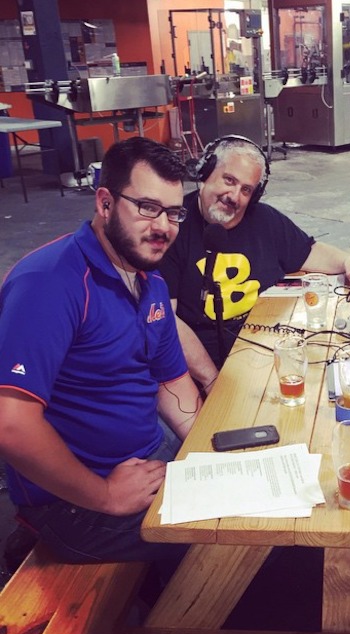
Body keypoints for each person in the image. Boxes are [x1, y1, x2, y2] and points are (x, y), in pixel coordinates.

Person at [0, 137, 202, 564]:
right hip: (75, 500)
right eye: (147, 207)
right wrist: (106, 494)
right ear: (105, 203)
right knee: (229, 533)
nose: (164, 227)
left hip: (148, 457)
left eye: (173, 212)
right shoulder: (50, 283)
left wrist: (207, 451)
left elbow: (172, 382)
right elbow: (11, 424)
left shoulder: (149, 279)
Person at [160, 135, 350, 392]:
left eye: (246, 190)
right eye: (229, 180)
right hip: (199, 366)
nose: (234, 196)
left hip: (263, 351)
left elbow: (309, 252)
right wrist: (211, 379)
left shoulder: (265, 220)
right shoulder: (172, 226)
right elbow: (166, 321)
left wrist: (348, 260)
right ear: (205, 173)